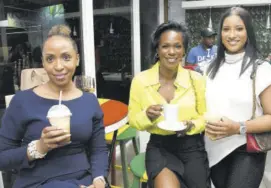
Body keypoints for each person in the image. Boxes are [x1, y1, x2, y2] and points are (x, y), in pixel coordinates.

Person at [0, 25, 108, 188]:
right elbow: (2, 158)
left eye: (66, 57)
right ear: (43, 62)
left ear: (77, 59)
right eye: (50, 59)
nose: (58, 66)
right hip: (37, 182)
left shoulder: (89, 101)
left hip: (84, 180)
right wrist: (38, 148)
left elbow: (98, 150)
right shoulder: (22, 101)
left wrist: (99, 180)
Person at [204, 7, 271, 188]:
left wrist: (237, 127)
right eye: (226, 29)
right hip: (213, 149)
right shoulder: (209, 69)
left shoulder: (261, 69)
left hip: (246, 149)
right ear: (220, 33)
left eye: (239, 29)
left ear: (248, 31)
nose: (232, 35)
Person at [128, 21, 210, 188]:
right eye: (165, 46)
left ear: (184, 50)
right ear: (157, 49)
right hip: (160, 147)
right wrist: (147, 115)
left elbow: (206, 117)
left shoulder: (196, 80)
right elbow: (133, 119)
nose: (171, 52)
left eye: (177, 46)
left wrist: (191, 125)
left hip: (192, 148)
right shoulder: (141, 81)